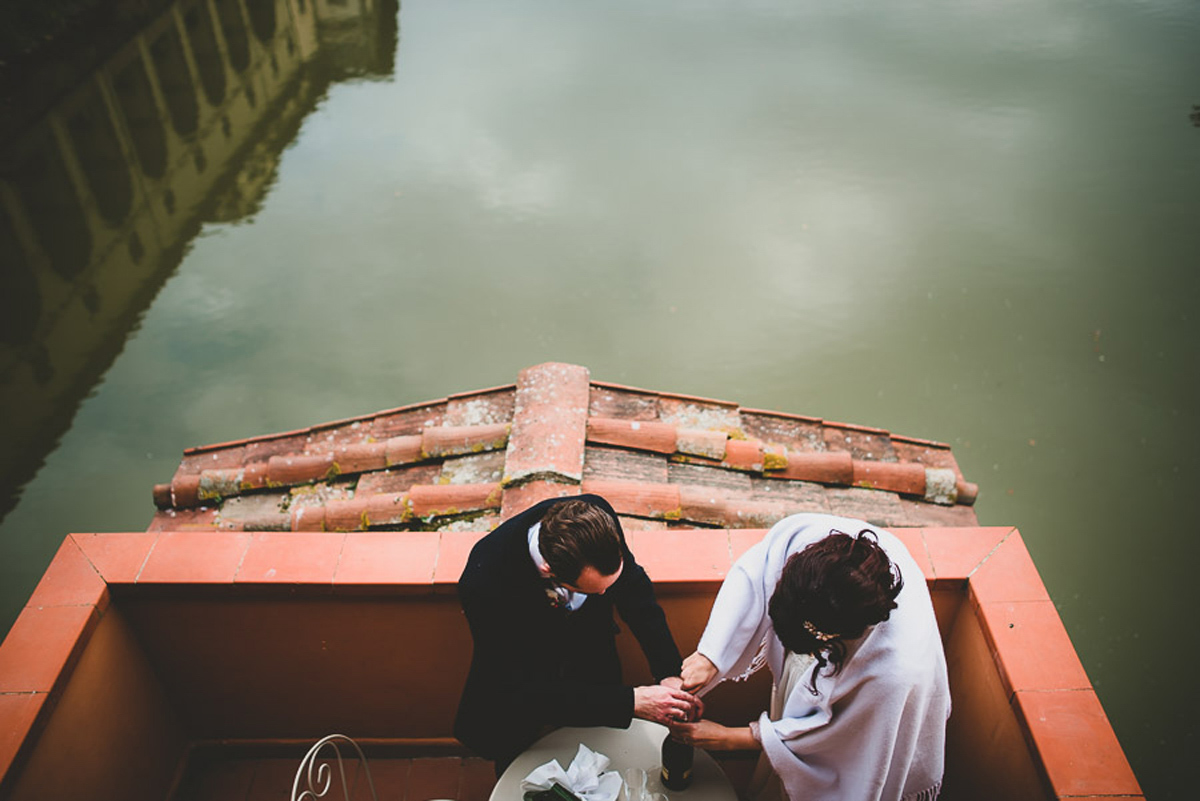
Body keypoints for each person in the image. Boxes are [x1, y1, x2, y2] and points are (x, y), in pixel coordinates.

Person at [669, 513, 950, 801]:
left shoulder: (892, 673)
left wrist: (730, 739)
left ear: (835, 640)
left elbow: (838, 738)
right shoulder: (811, 547)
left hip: (877, 716)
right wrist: (711, 656)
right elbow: (758, 571)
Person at [454, 494, 700, 773]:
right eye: (592, 591)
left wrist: (667, 672)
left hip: (592, 657)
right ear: (549, 570)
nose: (606, 595)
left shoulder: (597, 520)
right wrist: (630, 703)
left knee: (606, 755)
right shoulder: (484, 583)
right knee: (519, 769)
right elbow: (523, 689)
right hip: (523, 687)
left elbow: (635, 591)